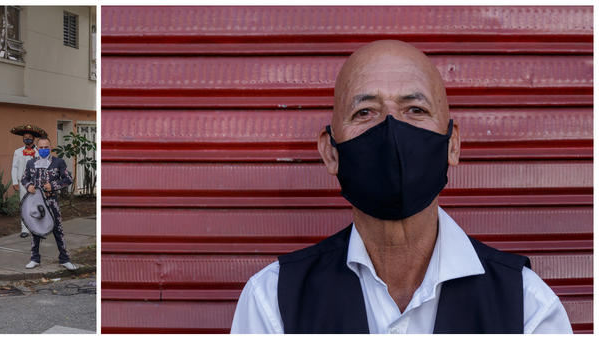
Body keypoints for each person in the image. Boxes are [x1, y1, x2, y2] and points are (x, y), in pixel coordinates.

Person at [230, 40, 571, 334]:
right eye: (365, 112)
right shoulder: (273, 300)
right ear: (330, 151)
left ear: (452, 145)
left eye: (415, 109)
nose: (391, 130)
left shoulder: (527, 306)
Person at [20, 137, 77, 271]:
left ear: (50, 147)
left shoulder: (58, 162)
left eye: (46, 147)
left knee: (58, 229)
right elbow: (24, 178)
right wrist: (28, 186)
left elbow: (68, 179)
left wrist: (53, 185)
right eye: (41, 148)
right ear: (37, 149)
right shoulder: (31, 163)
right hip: (36, 202)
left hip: (51, 201)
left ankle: (64, 259)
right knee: (35, 230)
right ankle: (34, 258)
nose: (44, 150)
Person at [10, 124, 47, 238]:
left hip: (37, 183)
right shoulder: (17, 152)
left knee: (38, 205)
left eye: (30, 137)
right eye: (25, 137)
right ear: (23, 139)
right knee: (24, 205)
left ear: (34, 138)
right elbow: (14, 167)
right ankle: (24, 228)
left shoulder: (40, 150)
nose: (27, 139)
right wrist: (14, 181)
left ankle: (38, 228)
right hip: (23, 184)